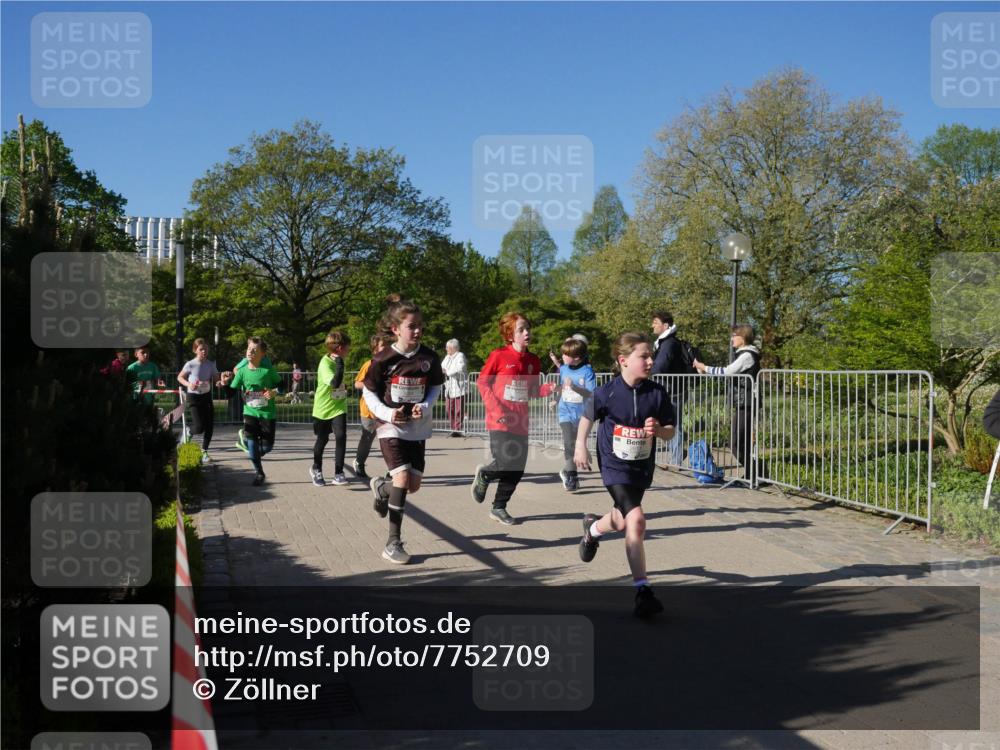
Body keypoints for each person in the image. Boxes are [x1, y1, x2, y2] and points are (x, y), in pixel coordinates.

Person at [575, 332, 676, 619]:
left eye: (650, 355)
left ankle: (592, 530)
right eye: (643, 356)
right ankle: (643, 590)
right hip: (613, 466)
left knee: (622, 519)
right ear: (623, 361)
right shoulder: (607, 392)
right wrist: (580, 447)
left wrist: (658, 430)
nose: (650, 360)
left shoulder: (657, 393)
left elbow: (671, 430)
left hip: (641, 468)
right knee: (637, 519)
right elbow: (586, 417)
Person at [363, 296, 444, 564]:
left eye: (420, 325)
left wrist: (425, 404)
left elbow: (435, 387)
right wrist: (387, 414)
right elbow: (369, 391)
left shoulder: (429, 357)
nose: (418, 330)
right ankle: (393, 543)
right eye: (412, 326)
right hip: (389, 427)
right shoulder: (383, 359)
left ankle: (382, 489)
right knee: (402, 478)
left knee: (413, 485)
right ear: (396, 329)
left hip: (417, 428)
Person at [471, 312, 549, 525]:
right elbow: (482, 383)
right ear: (510, 334)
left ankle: (499, 507)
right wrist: (496, 411)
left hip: (520, 421)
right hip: (500, 420)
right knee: (505, 461)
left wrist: (549, 388)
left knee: (517, 468)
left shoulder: (533, 361)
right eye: (521, 329)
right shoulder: (498, 356)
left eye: (527, 329)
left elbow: (531, 391)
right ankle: (485, 474)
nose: (527, 333)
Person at [693, 323, 761, 480]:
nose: (731, 339)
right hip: (745, 402)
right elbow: (727, 373)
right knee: (739, 442)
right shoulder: (744, 354)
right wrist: (704, 370)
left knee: (736, 443)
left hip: (748, 403)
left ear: (742, 338)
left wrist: (704, 366)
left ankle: (756, 474)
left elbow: (727, 371)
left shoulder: (747, 356)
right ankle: (754, 474)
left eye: (733, 336)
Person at [221, 337, 281, 486]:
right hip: (249, 412)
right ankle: (259, 472)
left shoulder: (268, 370)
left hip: (267, 413)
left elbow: (282, 385)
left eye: (254, 350)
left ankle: (246, 442)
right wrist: (224, 383)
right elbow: (230, 394)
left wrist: (273, 392)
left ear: (263, 353)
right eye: (249, 349)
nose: (250, 352)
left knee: (267, 447)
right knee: (253, 445)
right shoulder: (242, 371)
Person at [554, 336, 596, 491]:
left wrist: (576, 388)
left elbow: (591, 394)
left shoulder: (587, 372)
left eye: (566, 355)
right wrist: (556, 394)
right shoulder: (564, 369)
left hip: (582, 415)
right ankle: (572, 475)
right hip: (565, 413)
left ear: (577, 358)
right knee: (569, 442)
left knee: (578, 443)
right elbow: (563, 387)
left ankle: (567, 470)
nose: (562, 357)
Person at [311, 332, 351, 487]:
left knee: (341, 436)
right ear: (340, 348)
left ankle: (339, 473)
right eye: (347, 348)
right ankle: (316, 469)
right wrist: (340, 366)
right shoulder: (325, 363)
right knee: (323, 439)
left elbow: (338, 384)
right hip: (322, 409)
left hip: (338, 406)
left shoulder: (339, 360)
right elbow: (334, 383)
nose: (349, 351)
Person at [178, 339, 221, 464]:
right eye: (201, 349)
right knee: (199, 427)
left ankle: (204, 452)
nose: (204, 351)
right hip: (194, 397)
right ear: (195, 350)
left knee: (209, 426)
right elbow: (180, 377)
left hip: (206, 397)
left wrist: (221, 382)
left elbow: (216, 380)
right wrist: (188, 384)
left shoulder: (211, 364)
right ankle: (188, 431)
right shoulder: (190, 364)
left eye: (206, 349)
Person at [651, 311, 686, 468]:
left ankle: (676, 460)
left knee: (673, 423)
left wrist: (645, 369)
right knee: (667, 422)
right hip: (669, 388)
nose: (652, 325)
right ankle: (676, 455)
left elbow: (661, 366)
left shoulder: (669, 343)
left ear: (665, 326)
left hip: (673, 389)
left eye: (656, 322)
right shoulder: (664, 342)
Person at [353, 335, 389, 479]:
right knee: (367, 438)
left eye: (388, 345)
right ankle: (359, 462)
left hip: (386, 410)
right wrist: (374, 386)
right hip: (369, 410)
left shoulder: (392, 365)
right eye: (382, 346)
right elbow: (357, 383)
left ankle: (392, 470)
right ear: (375, 349)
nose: (386, 348)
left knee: (388, 439)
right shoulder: (369, 364)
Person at [231, 340, 274, 453]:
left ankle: (246, 438)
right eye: (250, 348)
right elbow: (235, 369)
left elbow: (270, 373)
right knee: (252, 414)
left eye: (256, 349)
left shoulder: (267, 361)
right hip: (249, 393)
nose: (252, 350)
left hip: (262, 394)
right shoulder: (246, 360)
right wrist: (246, 378)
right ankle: (245, 435)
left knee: (260, 415)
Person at [441, 339, 468, 437]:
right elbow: (442, 367)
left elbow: (459, 368)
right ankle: (453, 428)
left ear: (454, 348)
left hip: (459, 386)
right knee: (449, 409)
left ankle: (458, 429)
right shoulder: (447, 357)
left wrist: (447, 371)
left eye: (448, 347)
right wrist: (445, 370)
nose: (446, 349)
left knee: (458, 410)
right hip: (449, 387)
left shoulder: (460, 355)